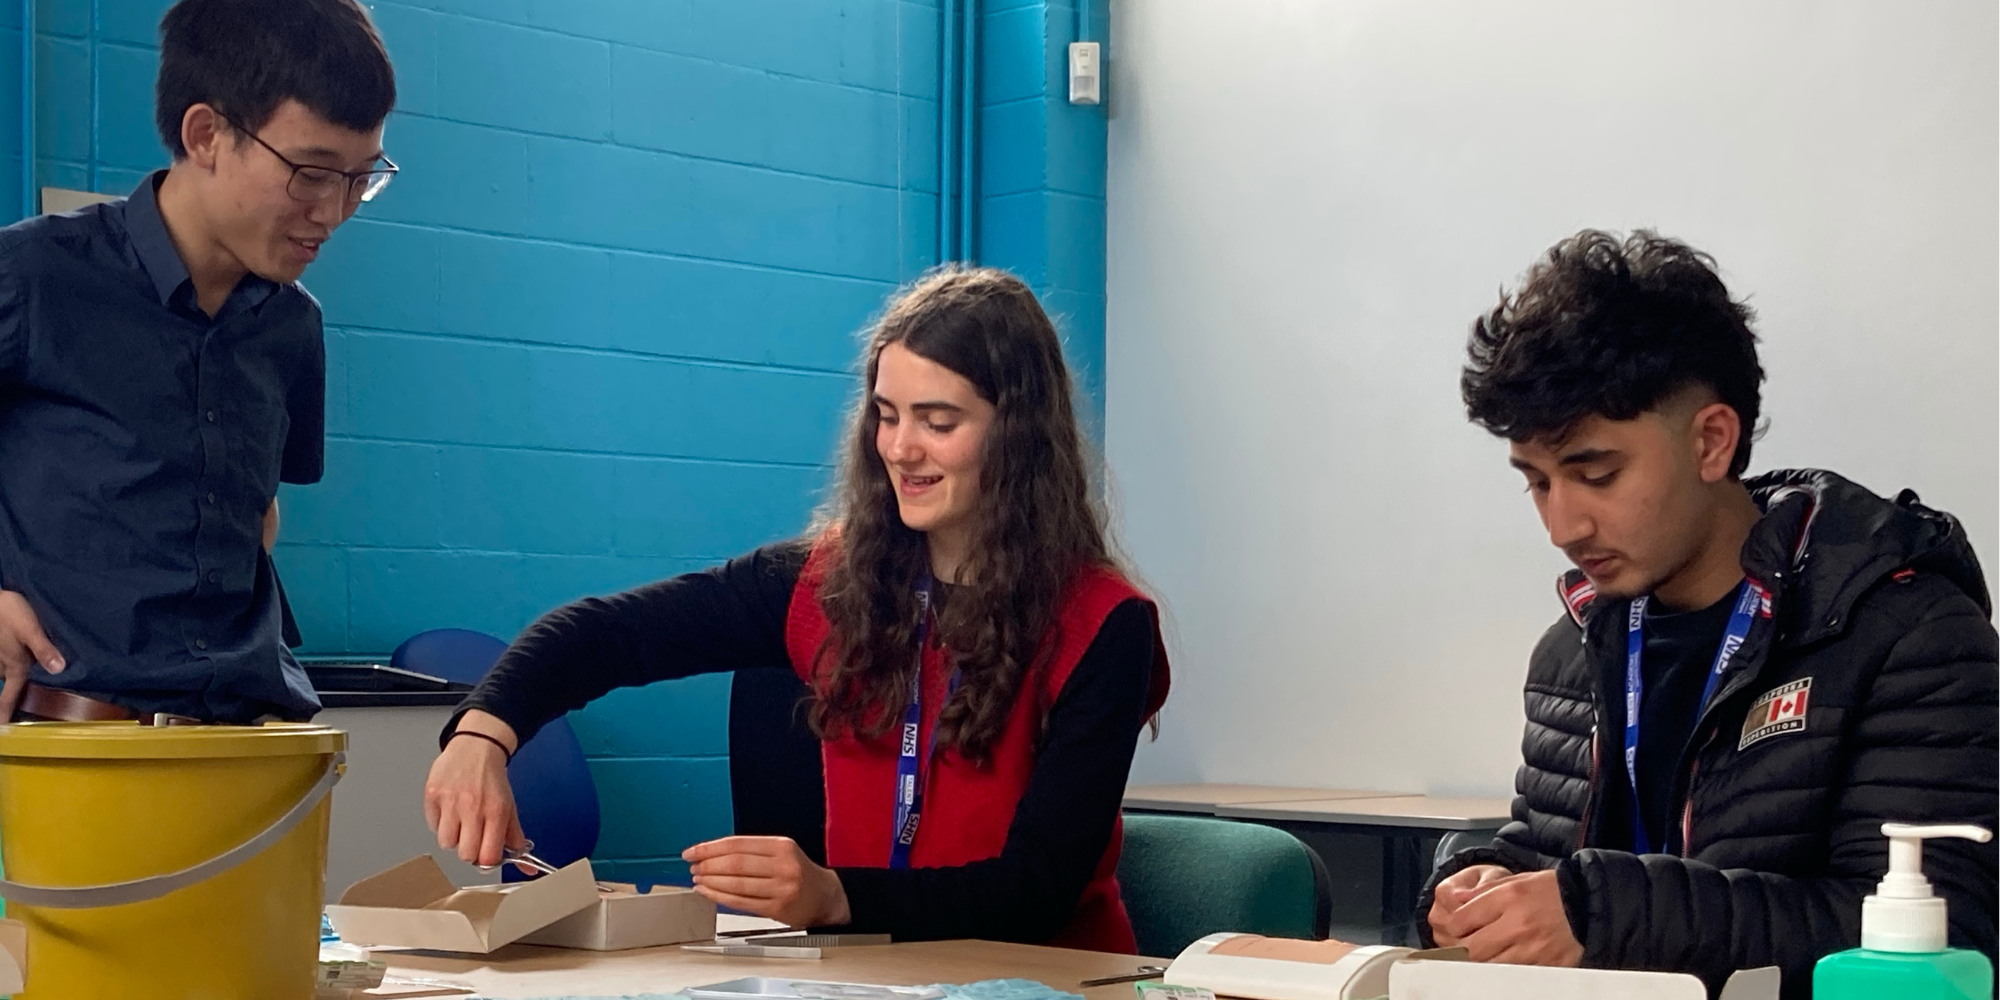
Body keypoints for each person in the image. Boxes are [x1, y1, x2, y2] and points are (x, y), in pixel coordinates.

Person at [424, 267, 1173, 952]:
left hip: (1046, 975)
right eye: (885, 415)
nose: (900, 448)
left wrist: (835, 896)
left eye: (938, 422)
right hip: (872, 971)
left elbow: (1038, 888)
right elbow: (603, 634)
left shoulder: (1103, 623)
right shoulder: (826, 580)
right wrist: (482, 734)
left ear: (1017, 435)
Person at [1420, 230, 1997, 996]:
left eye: (1597, 474)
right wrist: (1478, 882)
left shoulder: (1906, 633)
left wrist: (1606, 914)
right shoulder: (1576, 645)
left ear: (1712, 442)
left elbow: (1942, 938)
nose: (1562, 527)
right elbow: (1550, 859)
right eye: (1537, 481)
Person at [0, 0, 397, 723]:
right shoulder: (31, 275)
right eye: (312, 173)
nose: (334, 211)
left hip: (253, 738)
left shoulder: (294, 324)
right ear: (206, 134)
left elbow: (258, 515)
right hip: (70, 742)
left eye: (361, 178)